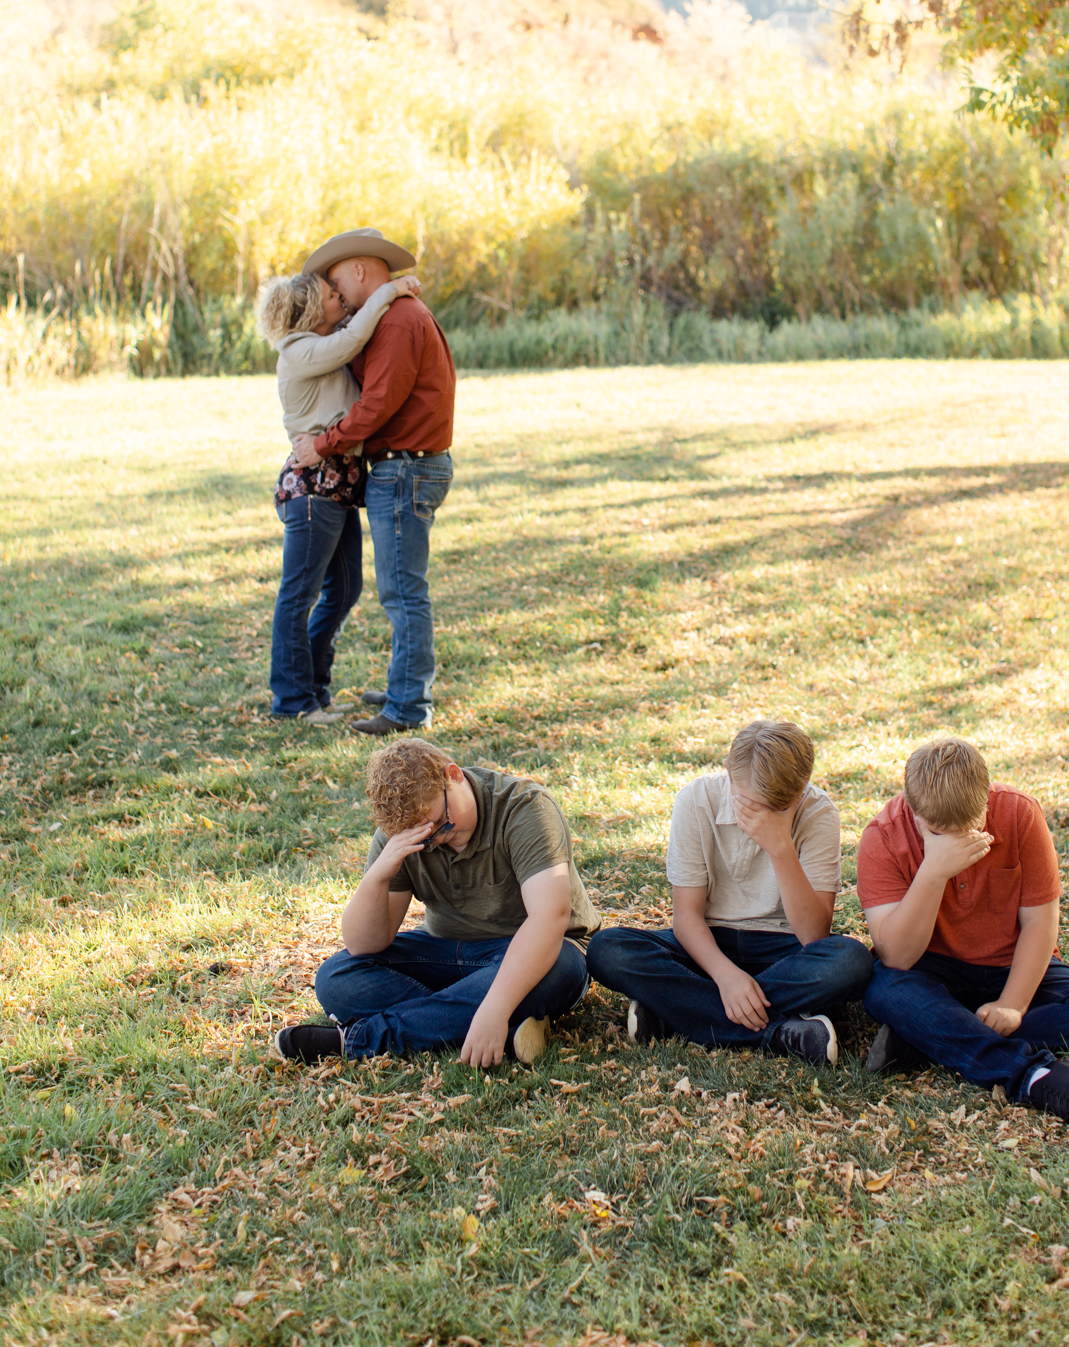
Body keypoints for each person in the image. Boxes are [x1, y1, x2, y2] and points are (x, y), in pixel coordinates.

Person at [858, 734, 1069, 1131]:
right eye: (938, 831)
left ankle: (932, 1035)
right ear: (911, 808)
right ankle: (1034, 1078)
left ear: (987, 797)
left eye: (969, 828)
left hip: (1011, 965)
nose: (955, 841)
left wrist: (1013, 1004)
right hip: (933, 971)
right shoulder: (882, 836)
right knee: (884, 989)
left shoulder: (1021, 813)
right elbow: (897, 957)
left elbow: (1040, 922)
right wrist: (934, 870)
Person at [273, 739, 598, 1066]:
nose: (437, 839)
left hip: (539, 949)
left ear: (453, 775)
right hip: (448, 951)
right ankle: (488, 1024)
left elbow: (549, 919)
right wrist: (377, 878)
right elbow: (365, 945)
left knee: (562, 968)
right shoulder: (405, 827)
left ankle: (362, 1039)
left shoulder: (525, 808)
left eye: (442, 823)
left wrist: (495, 1006)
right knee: (337, 977)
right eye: (424, 837)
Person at [586, 719, 873, 1063]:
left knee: (850, 961)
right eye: (750, 803)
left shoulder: (819, 811)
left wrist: (780, 846)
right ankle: (780, 1034)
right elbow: (687, 916)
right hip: (707, 945)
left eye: (776, 807)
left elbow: (814, 936)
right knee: (608, 949)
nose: (759, 816)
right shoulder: (696, 800)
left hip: (783, 949)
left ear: (801, 790)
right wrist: (726, 978)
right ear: (727, 771)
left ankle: (677, 1013)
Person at [290, 228, 457, 738]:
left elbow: (376, 405)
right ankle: (407, 687)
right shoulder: (390, 318)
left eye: (338, 283)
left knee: (403, 593)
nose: (336, 295)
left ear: (360, 270)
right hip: (404, 466)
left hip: (405, 468)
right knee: (400, 589)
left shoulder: (400, 321)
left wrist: (319, 445)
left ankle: (408, 706)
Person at [256, 265, 418, 721]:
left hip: (336, 487)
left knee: (345, 589)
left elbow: (353, 337)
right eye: (332, 295)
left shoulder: (320, 347)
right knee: (298, 595)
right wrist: (387, 290)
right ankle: (293, 702)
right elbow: (350, 340)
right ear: (313, 309)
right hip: (312, 489)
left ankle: (313, 687)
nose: (340, 299)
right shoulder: (299, 350)